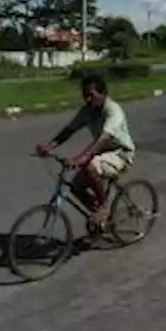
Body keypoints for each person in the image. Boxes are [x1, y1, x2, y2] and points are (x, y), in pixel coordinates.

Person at [35, 73, 136, 228]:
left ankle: (104, 206)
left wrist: (81, 158)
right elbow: (69, 130)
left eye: (91, 95)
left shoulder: (113, 111)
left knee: (90, 166)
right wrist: (49, 146)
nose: (88, 99)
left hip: (121, 153)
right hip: (103, 153)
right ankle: (99, 214)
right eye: (85, 96)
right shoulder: (87, 111)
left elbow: (102, 139)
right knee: (76, 186)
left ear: (103, 94)